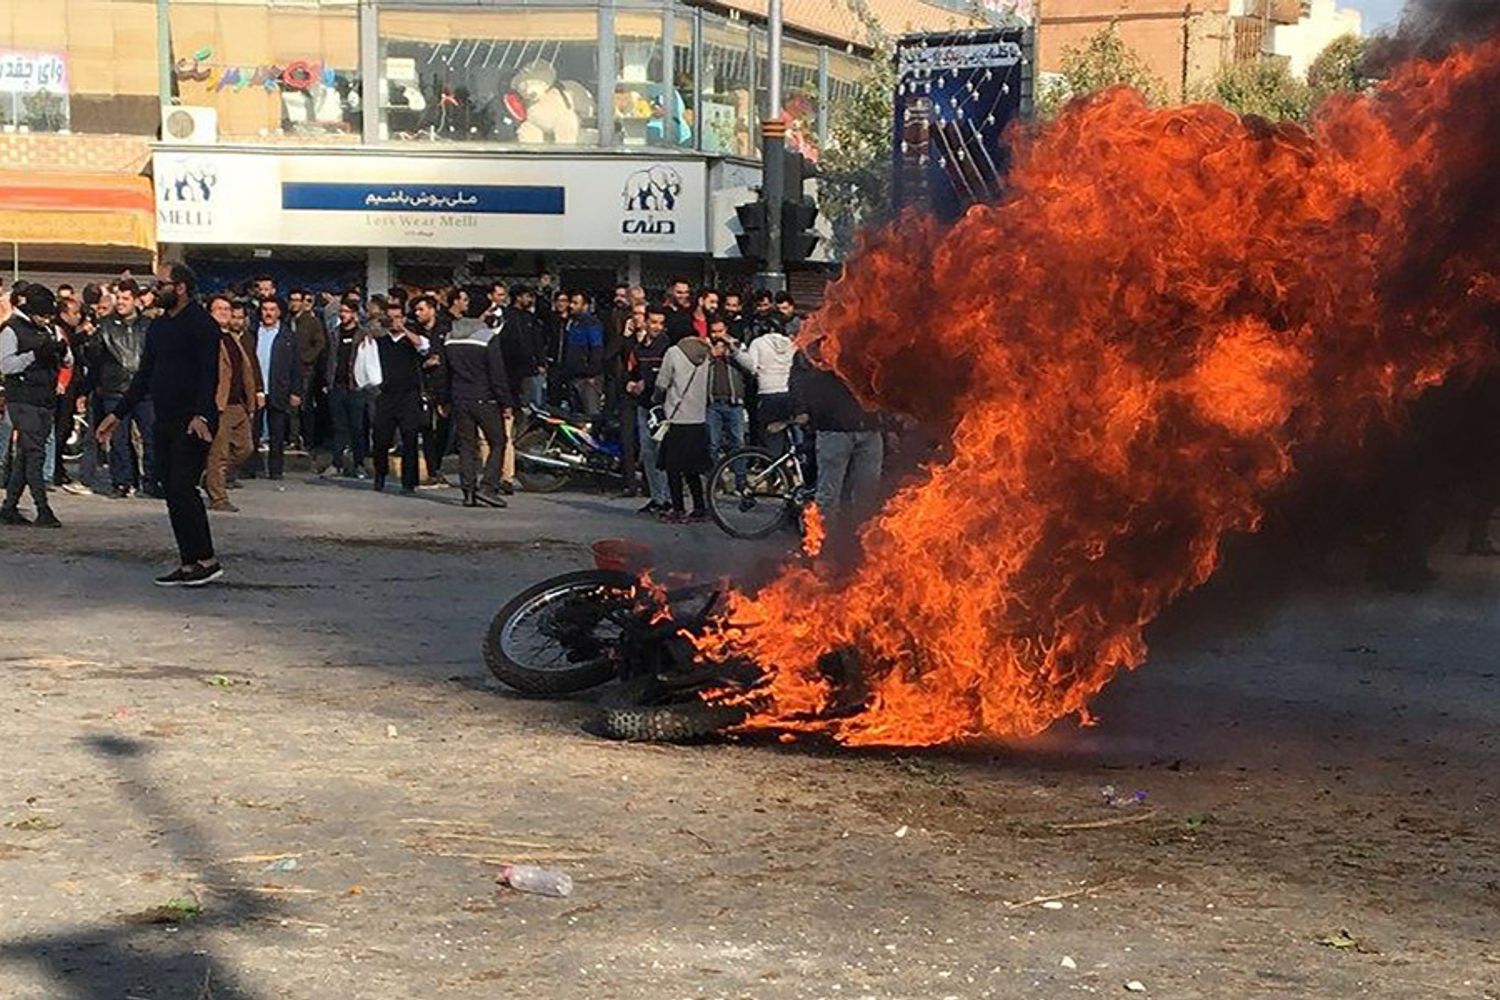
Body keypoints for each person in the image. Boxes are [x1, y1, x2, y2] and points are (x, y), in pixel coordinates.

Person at [96, 264, 222, 586]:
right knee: (169, 490)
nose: (154, 289)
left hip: (193, 421)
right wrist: (116, 414)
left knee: (183, 488)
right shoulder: (160, 326)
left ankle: (207, 559)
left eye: (161, 284)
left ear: (179, 287)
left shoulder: (201, 324)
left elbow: (210, 375)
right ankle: (189, 561)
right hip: (164, 418)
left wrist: (202, 414)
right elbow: (144, 376)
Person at [791, 337, 884, 530]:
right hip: (834, 430)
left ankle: (860, 543)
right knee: (829, 494)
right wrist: (803, 411)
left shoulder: (870, 346)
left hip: (869, 430)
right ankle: (824, 543)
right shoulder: (816, 348)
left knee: (867, 493)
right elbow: (799, 381)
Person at [0, 284, 64, 527]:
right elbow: (6, 366)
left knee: (26, 455)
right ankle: (43, 508)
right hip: (22, 400)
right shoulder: (11, 330)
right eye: (44, 314)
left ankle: (9, 507)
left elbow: (64, 359)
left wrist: (62, 351)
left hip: (43, 398)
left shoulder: (48, 329)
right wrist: (35, 355)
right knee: (34, 455)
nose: (47, 319)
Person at [89, 278, 153, 498]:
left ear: (136, 300)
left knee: (151, 436)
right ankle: (122, 482)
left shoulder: (148, 325)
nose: (121, 303)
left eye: (126, 298)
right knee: (118, 440)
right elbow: (94, 358)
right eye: (118, 298)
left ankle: (153, 480)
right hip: (114, 390)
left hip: (145, 391)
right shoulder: (104, 326)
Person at [441, 314, 512, 508]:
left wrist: (444, 399)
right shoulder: (487, 337)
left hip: (459, 397)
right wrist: (505, 402)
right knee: (498, 441)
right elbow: (497, 373)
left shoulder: (450, 338)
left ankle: (468, 493)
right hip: (484, 397)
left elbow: (445, 373)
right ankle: (488, 487)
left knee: (466, 445)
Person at [652, 315, 712, 522]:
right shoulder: (705, 353)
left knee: (673, 468)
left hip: (677, 418)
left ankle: (677, 508)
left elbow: (662, 382)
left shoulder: (673, 352)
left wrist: (656, 399)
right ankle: (699, 508)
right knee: (693, 469)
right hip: (698, 418)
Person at [203, 294, 258, 513]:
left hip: (239, 404)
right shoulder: (208, 338)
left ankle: (211, 477)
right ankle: (218, 497)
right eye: (219, 309)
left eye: (227, 309)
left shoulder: (234, 338)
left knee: (246, 448)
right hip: (220, 404)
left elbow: (246, 370)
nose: (225, 312)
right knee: (219, 453)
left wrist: (252, 400)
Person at [372, 299, 430, 495]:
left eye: (398, 317)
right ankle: (380, 475)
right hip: (386, 395)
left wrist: (405, 330)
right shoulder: (379, 342)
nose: (394, 321)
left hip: (408, 396)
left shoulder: (411, 340)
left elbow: (423, 346)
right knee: (381, 438)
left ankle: (409, 482)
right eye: (391, 318)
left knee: (410, 437)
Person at [249, 297, 303, 481]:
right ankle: (251, 467)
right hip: (256, 389)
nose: (268, 313)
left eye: (272, 309)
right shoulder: (253, 333)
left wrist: (296, 391)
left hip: (279, 388)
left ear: (279, 312)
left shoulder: (288, 336)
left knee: (277, 433)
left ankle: (275, 470)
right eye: (265, 309)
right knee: (253, 432)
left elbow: (297, 366)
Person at [626, 305, 672, 514]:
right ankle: (656, 497)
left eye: (660, 323)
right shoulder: (639, 348)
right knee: (648, 453)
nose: (657, 327)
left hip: (662, 408)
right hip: (644, 406)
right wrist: (631, 383)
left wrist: (648, 382)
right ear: (645, 321)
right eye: (653, 322)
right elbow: (632, 371)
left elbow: (667, 375)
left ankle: (668, 499)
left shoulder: (667, 347)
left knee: (663, 452)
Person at [737, 312, 797, 453]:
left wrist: (737, 353)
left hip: (767, 392)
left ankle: (773, 466)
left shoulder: (758, 343)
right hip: (787, 391)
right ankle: (788, 463)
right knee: (785, 429)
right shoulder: (790, 343)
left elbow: (751, 366)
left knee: (769, 433)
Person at [325, 296, 370, 479]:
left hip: (356, 387)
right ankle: (337, 463)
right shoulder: (334, 333)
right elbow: (329, 358)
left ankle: (358, 464)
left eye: (346, 312)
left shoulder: (362, 334)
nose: (342, 315)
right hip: (337, 386)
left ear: (354, 314)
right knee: (338, 427)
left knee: (357, 427)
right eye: (341, 312)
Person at [705, 317, 749, 489]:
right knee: (712, 444)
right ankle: (715, 482)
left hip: (734, 404)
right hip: (713, 404)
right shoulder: (705, 348)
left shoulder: (738, 346)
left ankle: (741, 482)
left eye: (720, 331)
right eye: (714, 332)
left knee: (737, 443)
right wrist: (710, 354)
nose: (717, 335)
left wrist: (733, 350)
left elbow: (750, 366)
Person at [411, 294, 451, 486]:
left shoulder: (445, 329)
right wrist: (423, 364)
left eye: (422, 309)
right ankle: (431, 470)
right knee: (426, 428)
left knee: (443, 430)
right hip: (423, 386)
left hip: (444, 386)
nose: (418, 313)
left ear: (432, 310)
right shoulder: (414, 331)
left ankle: (438, 466)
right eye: (416, 310)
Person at [287, 288, 327, 452]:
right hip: (288, 367)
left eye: (298, 300)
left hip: (305, 368)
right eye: (292, 299)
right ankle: (293, 438)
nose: (295, 303)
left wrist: (307, 358)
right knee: (290, 406)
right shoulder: (287, 320)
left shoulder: (312, 322)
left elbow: (320, 343)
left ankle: (308, 440)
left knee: (304, 405)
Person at [561, 291, 605, 416]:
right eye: (571, 302)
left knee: (591, 413)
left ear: (585, 306)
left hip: (587, 378)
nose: (571, 306)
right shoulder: (571, 323)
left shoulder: (592, 324)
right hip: (573, 375)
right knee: (575, 414)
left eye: (576, 303)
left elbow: (597, 348)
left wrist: (591, 372)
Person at [509, 285, 548, 411]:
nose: (530, 300)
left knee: (532, 404)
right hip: (511, 367)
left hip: (530, 367)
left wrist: (541, 362)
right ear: (518, 297)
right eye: (527, 296)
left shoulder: (530, 317)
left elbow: (537, 341)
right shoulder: (507, 316)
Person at [664, 278, 695, 344]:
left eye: (686, 292)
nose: (683, 296)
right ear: (671, 292)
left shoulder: (691, 312)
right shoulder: (663, 312)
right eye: (679, 292)